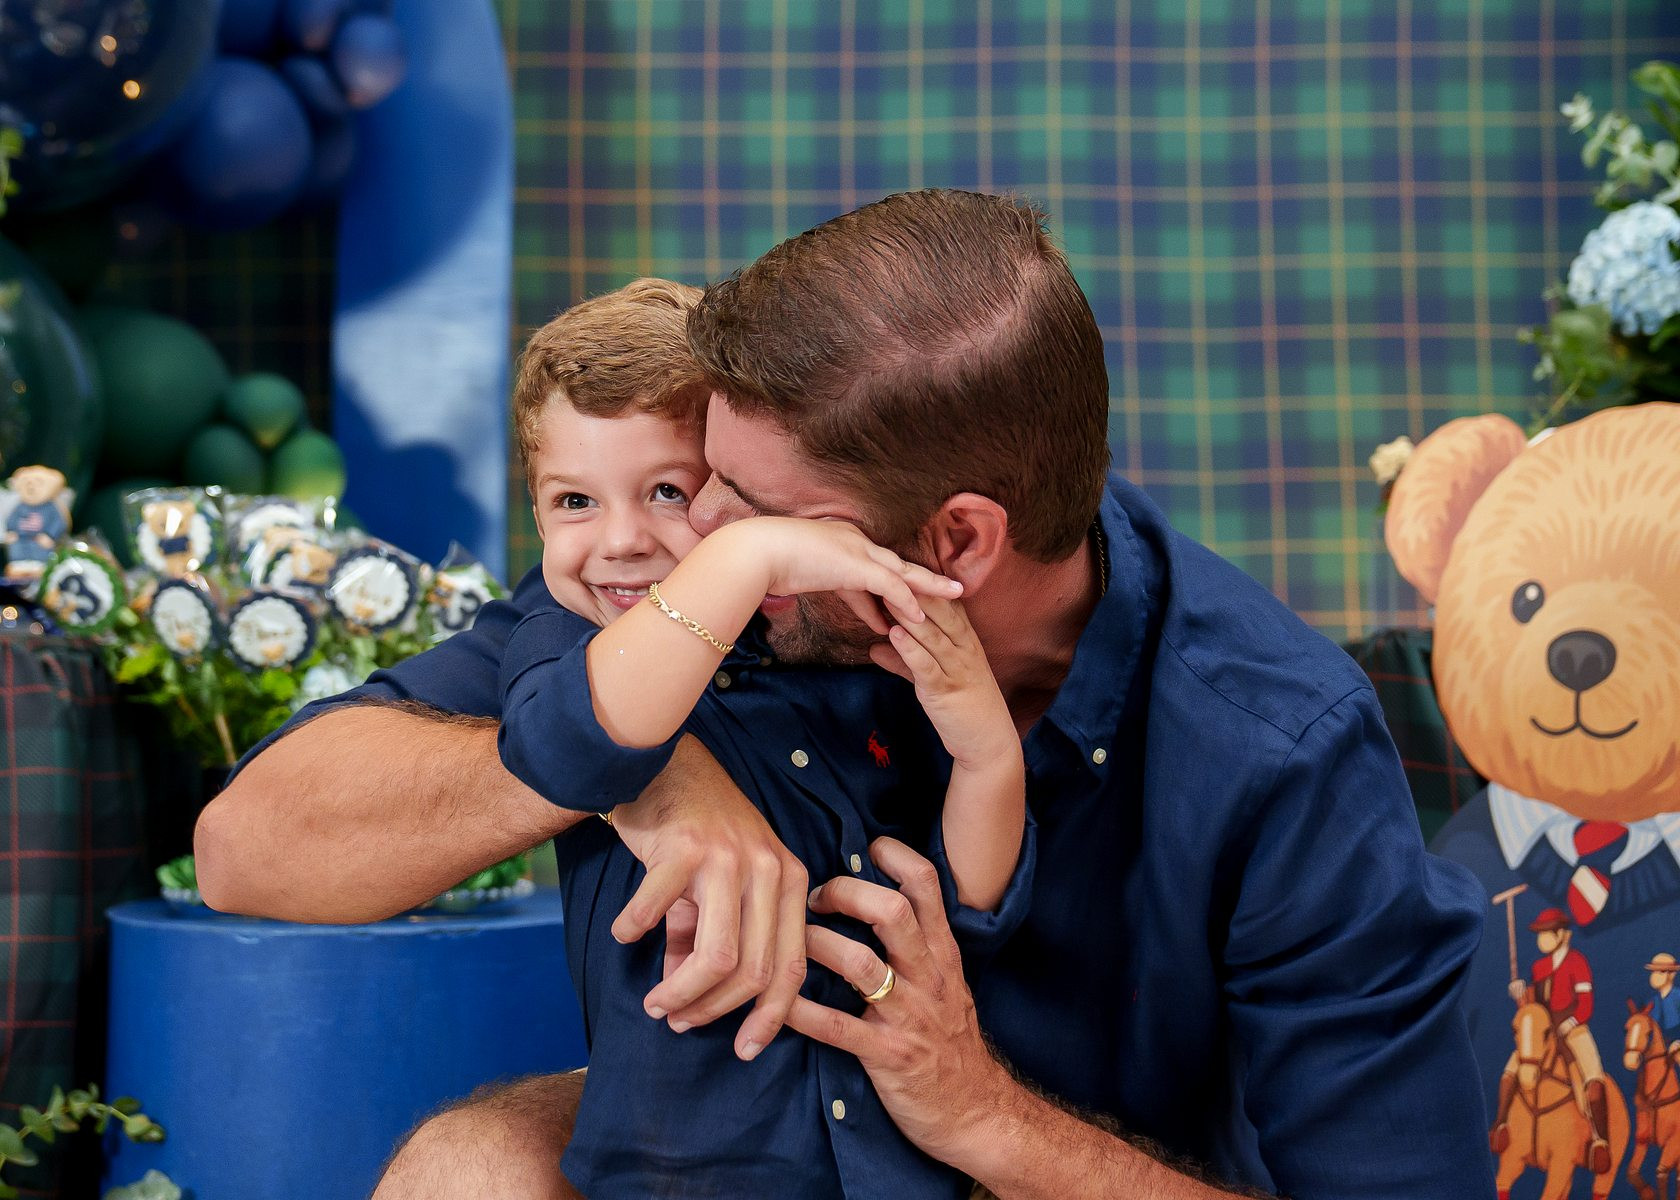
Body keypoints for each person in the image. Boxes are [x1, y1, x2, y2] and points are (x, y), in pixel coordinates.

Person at [198, 189, 1491, 1199]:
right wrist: (645, 770)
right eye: (699, 477)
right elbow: (248, 850)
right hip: (760, 1146)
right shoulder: (688, 599)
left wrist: (984, 1115)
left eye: (757, 513)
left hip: (1058, 1173)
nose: (694, 533)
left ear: (956, 543)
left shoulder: (1280, 747)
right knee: (473, 1167)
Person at [496, 274, 1029, 1197]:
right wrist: (748, 557)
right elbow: (568, 753)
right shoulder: (563, 642)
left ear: (733, 495)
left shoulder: (837, 645)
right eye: (573, 502)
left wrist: (988, 755)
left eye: (667, 491)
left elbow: (969, 911)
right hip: (679, 1170)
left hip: (895, 1167)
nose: (620, 541)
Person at [1491, 908, 1612, 1171]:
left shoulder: (1577, 962)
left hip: (1573, 1027)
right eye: (1540, 934)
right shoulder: (1539, 967)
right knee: (1511, 1070)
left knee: (1593, 1080)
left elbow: (1586, 1004)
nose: (1542, 939)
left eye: (1546, 933)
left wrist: (1571, 1022)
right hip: (1544, 1030)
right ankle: (1501, 1124)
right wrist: (1521, 996)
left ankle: (1600, 1140)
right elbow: (1534, 1007)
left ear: (1562, 935)